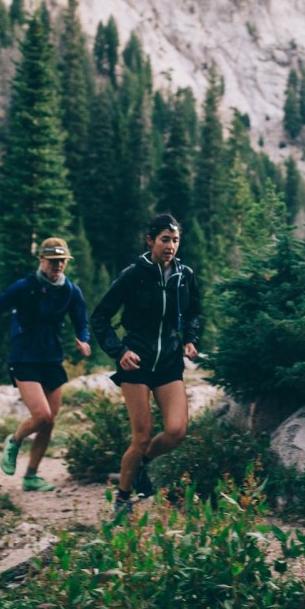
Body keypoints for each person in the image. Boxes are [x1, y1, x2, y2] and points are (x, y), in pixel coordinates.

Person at [91, 212, 202, 518]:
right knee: (141, 436)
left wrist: (190, 339)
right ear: (151, 240)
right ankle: (123, 498)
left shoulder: (184, 275)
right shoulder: (133, 275)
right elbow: (100, 318)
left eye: (175, 240)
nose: (171, 246)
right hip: (136, 361)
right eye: (165, 239)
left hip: (168, 360)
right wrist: (119, 350)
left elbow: (193, 313)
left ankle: (141, 466)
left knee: (177, 430)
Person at [0, 237, 91, 492]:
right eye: (53, 261)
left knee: (50, 421)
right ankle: (13, 441)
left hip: (52, 358)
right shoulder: (24, 287)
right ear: (41, 260)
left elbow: (81, 320)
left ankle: (31, 476)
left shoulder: (70, 291)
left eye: (62, 261)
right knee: (42, 415)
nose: (58, 265)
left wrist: (83, 339)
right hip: (24, 357)